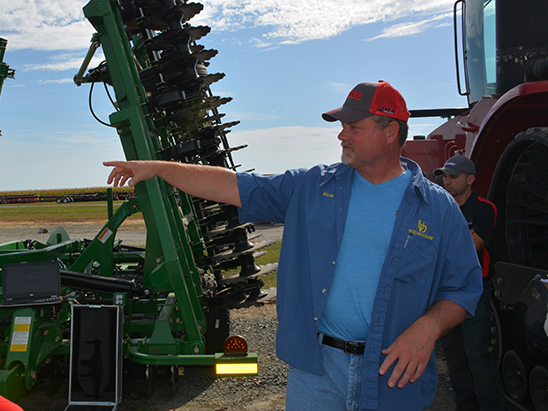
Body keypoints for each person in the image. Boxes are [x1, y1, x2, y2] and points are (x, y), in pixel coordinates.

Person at [104, 81, 482, 411]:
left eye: (353, 126)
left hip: (394, 372)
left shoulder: (437, 207)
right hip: (317, 368)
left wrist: (428, 329)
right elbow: (231, 185)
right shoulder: (313, 187)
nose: (341, 135)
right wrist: (160, 168)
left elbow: (462, 288)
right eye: (341, 126)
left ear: (390, 132)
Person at [435, 156, 506, 411]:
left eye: (453, 177)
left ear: (470, 179)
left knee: (476, 354)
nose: (447, 181)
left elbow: (470, 249)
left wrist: (439, 249)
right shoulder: (441, 208)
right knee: (454, 355)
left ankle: (493, 406)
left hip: (474, 289)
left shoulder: (485, 209)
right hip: (443, 291)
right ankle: (465, 405)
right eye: (445, 176)